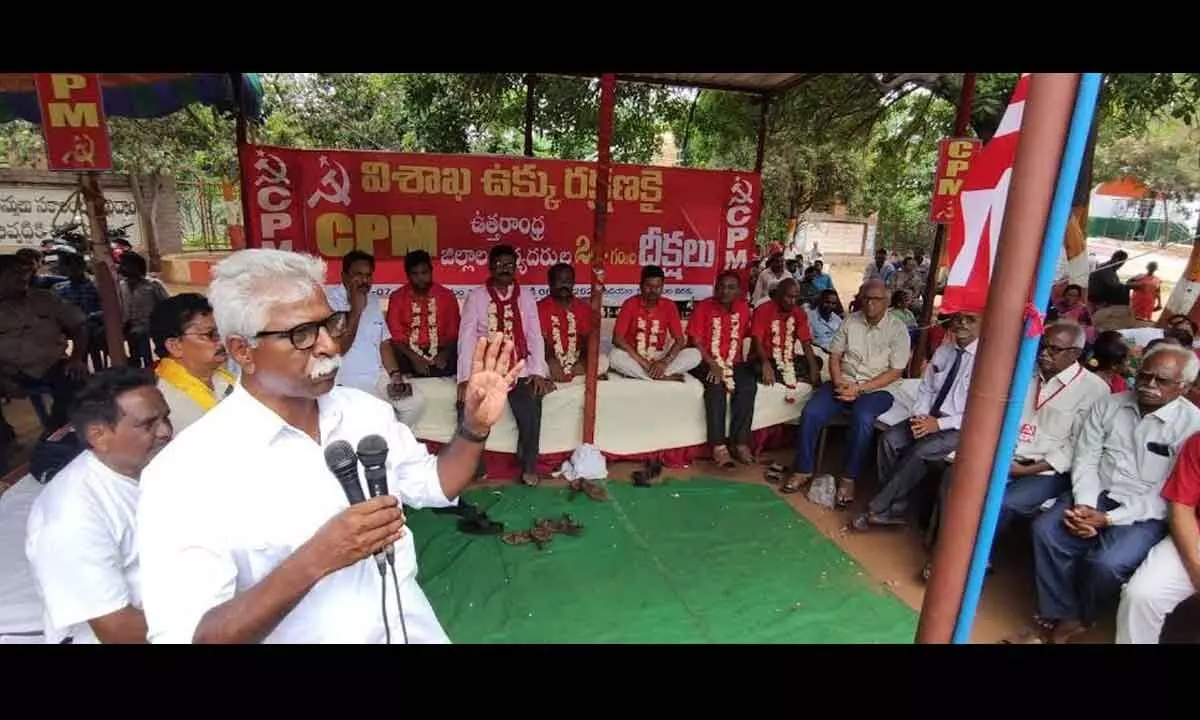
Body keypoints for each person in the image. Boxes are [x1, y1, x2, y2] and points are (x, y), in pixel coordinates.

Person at [136, 248, 521, 644]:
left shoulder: (366, 413)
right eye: (301, 334)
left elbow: (437, 485)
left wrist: (474, 426)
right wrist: (316, 559)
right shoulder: (185, 473)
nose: (329, 346)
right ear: (242, 351)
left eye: (329, 324)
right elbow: (193, 637)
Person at [1006, 343, 1200, 644]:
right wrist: (1084, 506)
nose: (1148, 385)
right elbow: (1086, 459)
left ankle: (1084, 614)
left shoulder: (1192, 425)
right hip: (1095, 494)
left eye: (1161, 380)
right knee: (1046, 531)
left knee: (1106, 563)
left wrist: (1108, 519)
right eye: (1144, 376)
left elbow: (1166, 495)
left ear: (1184, 386)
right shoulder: (1110, 404)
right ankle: (1063, 610)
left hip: (1145, 511)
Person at [923, 321, 1111, 580]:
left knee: (1003, 502)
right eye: (1042, 346)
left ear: (1075, 354)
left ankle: (972, 560)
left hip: (1046, 469)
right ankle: (944, 550)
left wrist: (1027, 470)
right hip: (1006, 455)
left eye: (1054, 349)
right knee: (955, 477)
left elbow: (1078, 446)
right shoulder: (1024, 373)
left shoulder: (1094, 390)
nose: (1044, 353)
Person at [24, 366, 173, 644]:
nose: (165, 431)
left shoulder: (158, 468)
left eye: (166, 418)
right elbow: (119, 632)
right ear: (98, 436)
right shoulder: (72, 516)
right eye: (148, 424)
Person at [777, 279, 910, 503]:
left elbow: (896, 371)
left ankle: (849, 477)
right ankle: (803, 469)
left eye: (876, 300)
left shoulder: (898, 330)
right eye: (865, 298)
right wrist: (838, 382)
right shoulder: (850, 321)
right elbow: (836, 355)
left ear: (886, 302)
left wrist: (859, 389)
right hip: (844, 381)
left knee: (863, 417)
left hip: (878, 388)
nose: (869, 304)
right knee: (811, 412)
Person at [854, 309, 981, 531]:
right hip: (928, 415)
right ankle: (896, 506)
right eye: (958, 317)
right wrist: (920, 414)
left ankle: (877, 508)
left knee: (920, 451)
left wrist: (938, 424)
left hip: (960, 426)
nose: (962, 323)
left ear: (984, 324)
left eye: (970, 319)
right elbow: (926, 388)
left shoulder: (987, 362)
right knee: (889, 440)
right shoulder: (945, 350)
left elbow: (980, 412)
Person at [457, 244, 553, 486]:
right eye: (499, 264)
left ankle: (529, 464)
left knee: (532, 400)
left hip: (518, 368)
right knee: (467, 404)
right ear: (490, 268)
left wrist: (538, 372)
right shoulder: (477, 296)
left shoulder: (526, 296)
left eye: (509, 264)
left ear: (516, 267)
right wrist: (464, 378)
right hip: (486, 367)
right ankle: (474, 464)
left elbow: (534, 335)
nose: (504, 269)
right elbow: (467, 337)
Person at [1116, 431, 1200, 643]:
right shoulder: (1198, 442)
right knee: (1143, 595)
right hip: (1195, 535)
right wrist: (1197, 571)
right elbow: (1181, 507)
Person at [326, 250, 424, 428]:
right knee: (378, 416)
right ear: (344, 276)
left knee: (414, 404)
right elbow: (339, 348)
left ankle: (390, 442)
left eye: (368, 275)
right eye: (358, 275)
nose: (364, 281)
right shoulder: (329, 301)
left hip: (378, 376)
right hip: (349, 380)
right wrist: (356, 310)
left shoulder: (372, 299)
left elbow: (384, 343)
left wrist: (394, 375)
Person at [0, 254, 90, 430]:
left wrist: (76, 358)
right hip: (8, 370)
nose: (22, 277)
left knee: (77, 383)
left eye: (23, 272)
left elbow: (80, 326)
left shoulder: (46, 299)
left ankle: (56, 432)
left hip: (52, 364)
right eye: (13, 274)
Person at [688, 271, 757, 468]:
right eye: (721, 286)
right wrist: (713, 364)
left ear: (739, 291)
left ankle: (740, 442)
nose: (724, 291)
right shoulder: (704, 307)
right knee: (715, 386)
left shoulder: (743, 309)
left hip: (733, 362)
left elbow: (748, 336)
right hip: (704, 360)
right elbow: (695, 340)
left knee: (748, 386)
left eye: (730, 287)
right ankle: (718, 446)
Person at [149, 293, 236, 434]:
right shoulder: (160, 400)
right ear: (175, 346)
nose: (222, 341)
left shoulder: (225, 378)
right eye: (210, 335)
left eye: (220, 333)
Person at [609, 265, 701, 382]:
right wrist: (645, 364)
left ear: (662, 287)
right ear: (641, 285)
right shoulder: (630, 304)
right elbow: (617, 339)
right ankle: (663, 377)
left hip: (660, 355)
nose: (653, 290)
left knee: (695, 354)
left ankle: (654, 374)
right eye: (649, 286)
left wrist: (664, 362)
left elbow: (679, 340)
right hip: (635, 356)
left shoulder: (669, 306)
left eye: (657, 286)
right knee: (614, 356)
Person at [384, 249, 460, 379]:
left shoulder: (447, 296)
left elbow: (455, 333)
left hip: (441, 350)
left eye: (424, 273)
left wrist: (445, 354)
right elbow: (395, 337)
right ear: (408, 275)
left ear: (431, 271)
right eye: (415, 274)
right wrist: (415, 358)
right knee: (393, 352)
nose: (420, 278)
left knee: (459, 353)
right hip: (408, 352)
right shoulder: (397, 298)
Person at [537, 263, 608, 383]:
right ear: (550, 283)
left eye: (568, 281)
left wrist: (581, 361)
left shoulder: (583, 308)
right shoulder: (539, 308)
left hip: (576, 357)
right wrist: (551, 360)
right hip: (549, 358)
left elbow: (587, 340)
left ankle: (577, 378)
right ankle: (580, 380)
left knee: (604, 361)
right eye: (559, 281)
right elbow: (538, 341)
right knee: (535, 367)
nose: (564, 285)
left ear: (574, 282)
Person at [751, 277, 820, 393]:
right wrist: (765, 363)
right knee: (755, 368)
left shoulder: (799, 312)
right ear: (779, 295)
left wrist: (813, 367)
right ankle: (791, 376)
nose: (793, 301)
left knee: (817, 361)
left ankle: (785, 376)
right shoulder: (763, 309)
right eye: (789, 297)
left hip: (788, 359)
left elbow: (806, 342)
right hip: (764, 358)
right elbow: (756, 340)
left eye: (796, 297)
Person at [117, 251, 169, 368]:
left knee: (139, 334)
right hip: (129, 325)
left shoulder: (153, 285)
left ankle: (148, 365)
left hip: (151, 324)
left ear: (136, 266)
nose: (121, 268)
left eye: (125, 264)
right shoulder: (121, 286)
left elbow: (167, 305)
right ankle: (133, 364)